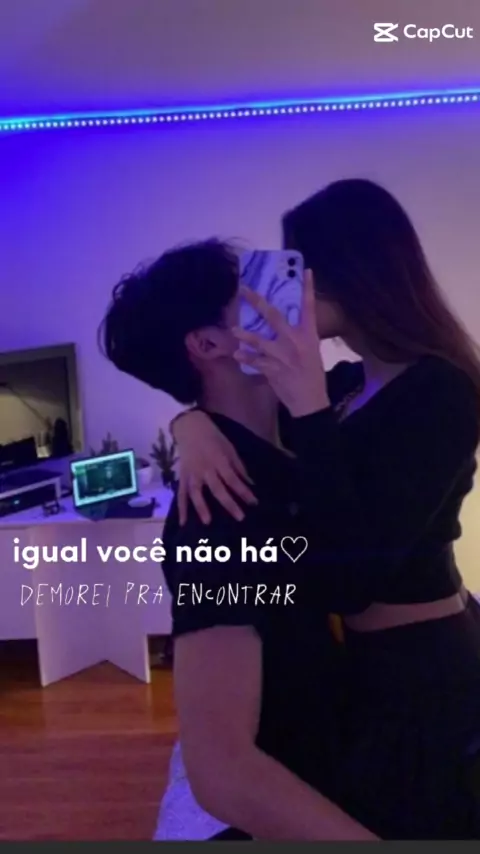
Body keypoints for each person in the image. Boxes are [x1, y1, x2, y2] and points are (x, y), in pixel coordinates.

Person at [170, 179, 480, 839]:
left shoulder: (441, 391)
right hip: (362, 664)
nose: (291, 296)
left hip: (424, 665)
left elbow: (350, 578)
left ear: (349, 271)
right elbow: (253, 425)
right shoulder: (349, 386)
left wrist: (307, 403)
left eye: (298, 271)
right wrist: (188, 426)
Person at [99, 239, 377, 841]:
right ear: (207, 345)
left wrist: (189, 421)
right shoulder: (219, 514)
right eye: (250, 289)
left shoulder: (303, 437)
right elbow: (221, 769)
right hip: (316, 798)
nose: (279, 292)